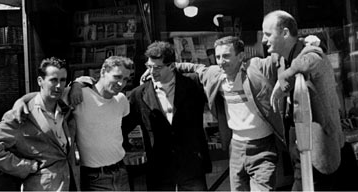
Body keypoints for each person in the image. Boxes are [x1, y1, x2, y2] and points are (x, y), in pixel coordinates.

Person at [72, 41, 212, 191]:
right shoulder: (139, 94)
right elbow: (120, 128)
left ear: (172, 66)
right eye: (149, 66)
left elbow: (215, 71)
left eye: (157, 67)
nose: (152, 72)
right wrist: (77, 83)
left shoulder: (194, 84)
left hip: (192, 168)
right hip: (160, 172)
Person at [172, 36, 286, 191]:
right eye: (218, 56)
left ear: (241, 56)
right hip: (236, 147)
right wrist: (162, 69)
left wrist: (307, 44)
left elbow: (281, 58)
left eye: (226, 56)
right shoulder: (215, 74)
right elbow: (194, 68)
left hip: (263, 147)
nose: (221, 61)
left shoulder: (256, 67)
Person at [262, 10, 355, 191]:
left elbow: (310, 61)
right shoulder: (281, 59)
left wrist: (283, 83)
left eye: (268, 34)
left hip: (319, 151)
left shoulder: (311, 53)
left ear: (285, 33)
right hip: (299, 149)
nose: (264, 40)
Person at [12, 56, 133, 191]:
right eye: (117, 77)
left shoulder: (121, 100)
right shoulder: (79, 95)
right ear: (103, 71)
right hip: (95, 177)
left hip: (121, 172)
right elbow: (44, 95)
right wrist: (21, 101)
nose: (121, 83)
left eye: (126, 79)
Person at [0, 57, 80, 191]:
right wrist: (27, 167)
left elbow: (87, 82)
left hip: (69, 184)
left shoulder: (65, 111)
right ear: (40, 81)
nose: (59, 86)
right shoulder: (22, 114)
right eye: (53, 80)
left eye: (63, 80)